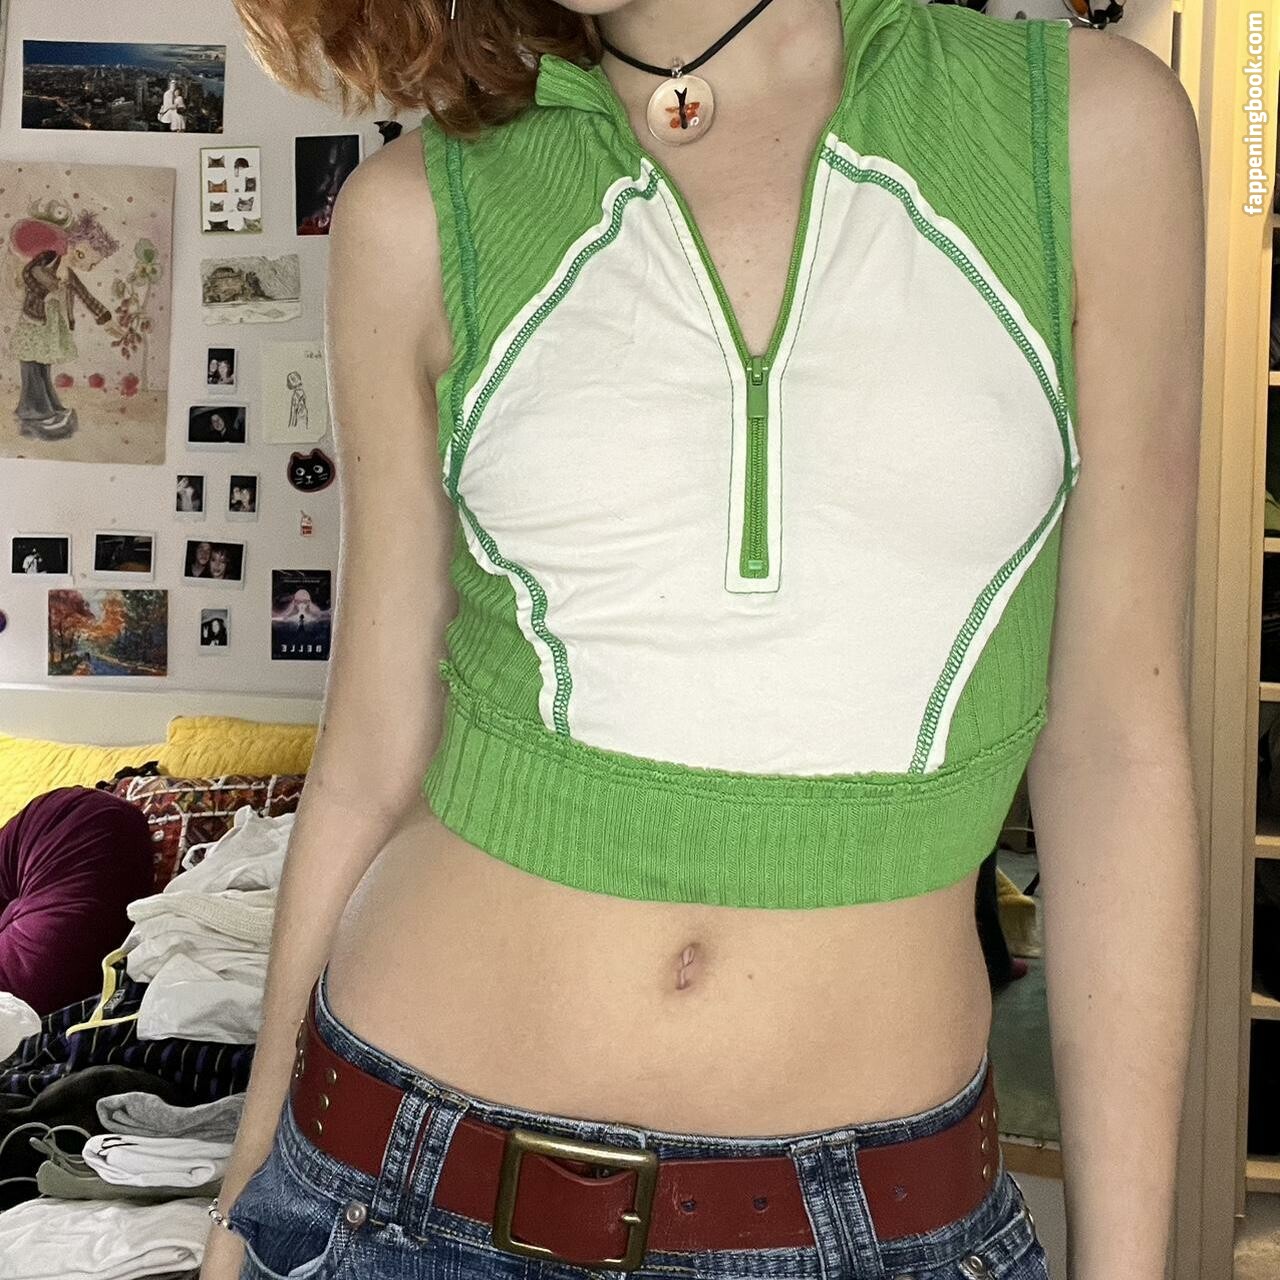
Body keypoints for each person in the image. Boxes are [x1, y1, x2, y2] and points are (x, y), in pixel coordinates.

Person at [206, 3, 1205, 1280]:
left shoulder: (1083, 129)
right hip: (394, 1198)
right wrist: (242, 1190)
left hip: (875, 1229)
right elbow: (369, 755)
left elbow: (1117, 746)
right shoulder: (413, 208)